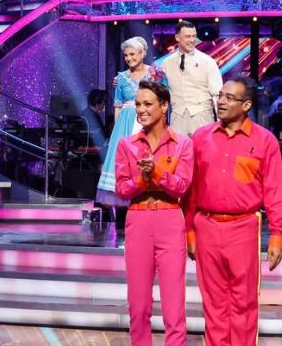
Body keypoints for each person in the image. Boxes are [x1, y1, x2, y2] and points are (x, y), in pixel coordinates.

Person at [187, 78, 282, 346]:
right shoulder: (201, 138)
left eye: (230, 98)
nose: (222, 102)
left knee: (244, 302)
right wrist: (189, 229)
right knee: (214, 303)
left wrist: (277, 233)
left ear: (246, 106)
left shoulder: (264, 140)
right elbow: (190, 189)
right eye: (221, 96)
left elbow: (275, 189)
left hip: (244, 226)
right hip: (205, 226)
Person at [113, 81, 193, 346]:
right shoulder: (127, 145)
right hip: (139, 220)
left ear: (164, 105)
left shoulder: (183, 144)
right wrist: (141, 179)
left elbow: (182, 186)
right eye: (138, 104)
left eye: (148, 104)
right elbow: (121, 189)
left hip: (171, 219)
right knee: (139, 303)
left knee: (174, 304)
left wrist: (156, 173)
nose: (142, 110)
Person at [96, 37, 161, 209]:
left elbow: (163, 98)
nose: (129, 58)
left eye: (132, 54)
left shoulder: (154, 74)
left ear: (143, 53)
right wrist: (117, 131)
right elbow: (117, 106)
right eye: (126, 55)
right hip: (125, 123)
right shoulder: (121, 78)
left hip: (147, 120)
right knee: (125, 160)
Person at [158, 20, 222, 136]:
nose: (192, 40)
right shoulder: (166, 63)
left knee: (202, 152)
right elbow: (161, 91)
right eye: (188, 36)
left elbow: (217, 94)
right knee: (177, 153)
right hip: (177, 117)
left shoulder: (207, 61)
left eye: (194, 36)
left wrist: (220, 122)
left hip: (202, 116)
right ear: (177, 37)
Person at [80, 89, 110, 153]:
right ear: (98, 101)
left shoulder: (85, 113)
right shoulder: (91, 116)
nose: (104, 103)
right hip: (92, 150)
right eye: (104, 101)